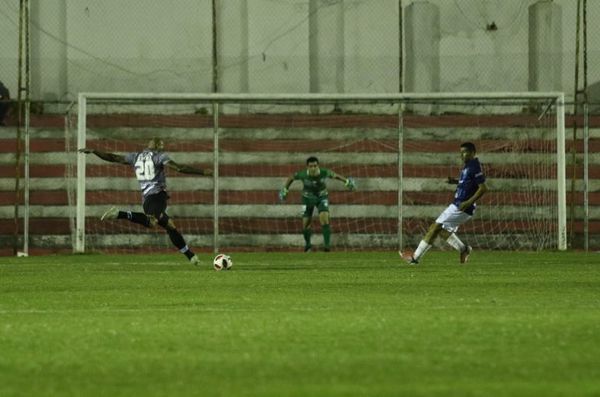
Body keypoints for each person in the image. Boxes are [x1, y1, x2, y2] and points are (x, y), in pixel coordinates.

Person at [79, 137, 212, 265]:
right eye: (161, 145)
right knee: (152, 222)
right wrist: (203, 172)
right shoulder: (159, 156)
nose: (162, 147)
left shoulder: (136, 156)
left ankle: (191, 256)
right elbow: (179, 168)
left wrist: (95, 151)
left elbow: (114, 158)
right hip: (158, 196)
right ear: (158, 146)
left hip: (147, 200)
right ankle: (120, 214)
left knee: (170, 226)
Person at [401, 142, 488, 265]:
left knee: (434, 227)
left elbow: (483, 188)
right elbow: (468, 183)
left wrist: (468, 202)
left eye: (466, 152)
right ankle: (464, 249)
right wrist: (455, 181)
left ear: (473, 153)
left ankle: (415, 258)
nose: (462, 155)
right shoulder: (468, 166)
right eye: (461, 153)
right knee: (441, 230)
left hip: (462, 206)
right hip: (458, 204)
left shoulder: (474, 166)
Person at [279, 156, 355, 252]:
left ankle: (327, 246)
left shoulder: (324, 172)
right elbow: (291, 177)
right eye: (311, 166)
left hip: (321, 197)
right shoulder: (302, 174)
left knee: (324, 219)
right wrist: (285, 189)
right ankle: (308, 246)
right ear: (307, 167)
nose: (313, 168)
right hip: (307, 199)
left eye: (315, 166)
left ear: (318, 166)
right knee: (306, 224)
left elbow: (335, 175)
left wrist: (347, 182)